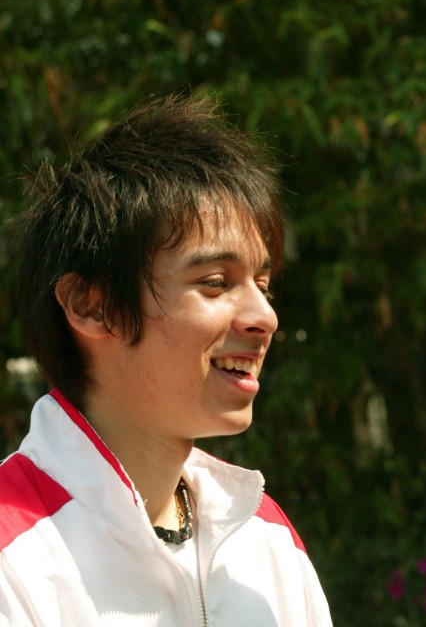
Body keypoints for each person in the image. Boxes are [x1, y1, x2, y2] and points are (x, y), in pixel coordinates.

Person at [0, 95, 332, 625]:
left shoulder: (266, 541)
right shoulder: (15, 560)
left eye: (263, 284)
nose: (263, 317)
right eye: (215, 282)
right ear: (93, 306)